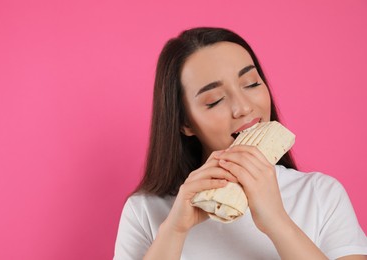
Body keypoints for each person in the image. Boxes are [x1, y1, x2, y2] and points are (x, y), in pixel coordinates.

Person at [114, 27, 367, 259]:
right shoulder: (145, 211)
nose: (244, 107)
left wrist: (277, 222)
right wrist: (174, 230)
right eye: (214, 100)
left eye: (252, 83)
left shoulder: (321, 195)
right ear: (185, 123)